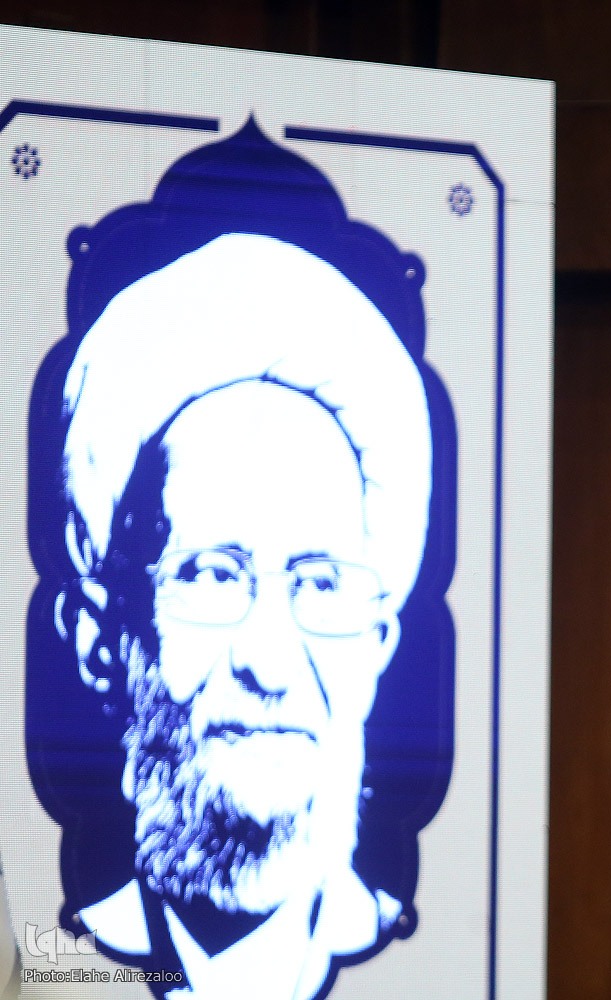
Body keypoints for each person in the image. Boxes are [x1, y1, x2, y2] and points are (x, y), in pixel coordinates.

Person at [27, 122, 454, 1000]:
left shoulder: (422, 953)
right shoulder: (50, 959)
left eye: (319, 583)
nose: (269, 661)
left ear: (377, 646)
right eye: (212, 575)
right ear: (103, 640)